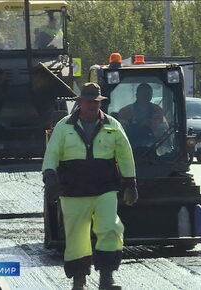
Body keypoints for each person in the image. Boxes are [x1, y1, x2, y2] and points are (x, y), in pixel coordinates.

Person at [42, 82, 138, 290]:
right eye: (88, 101)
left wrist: (130, 182)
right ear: (80, 103)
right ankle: (79, 280)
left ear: (99, 103)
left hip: (105, 189)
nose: (92, 105)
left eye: (96, 101)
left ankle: (106, 278)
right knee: (77, 236)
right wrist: (49, 177)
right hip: (73, 191)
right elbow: (51, 154)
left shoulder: (113, 126)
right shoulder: (64, 127)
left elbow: (125, 155)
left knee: (110, 228)